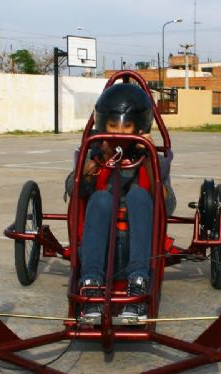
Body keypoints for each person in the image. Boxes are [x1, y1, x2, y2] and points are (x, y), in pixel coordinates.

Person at [74, 83, 176, 319]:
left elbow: (168, 207)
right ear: (102, 124)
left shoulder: (153, 159)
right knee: (101, 199)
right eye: (113, 125)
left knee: (138, 195)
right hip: (100, 237)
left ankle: (138, 283)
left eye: (126, 126)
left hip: (140, 240)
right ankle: (90, 283)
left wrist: (148, 158)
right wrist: (96, 163)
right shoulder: (93, 152)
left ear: (139, 126)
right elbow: (73, 190)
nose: (118, 132)